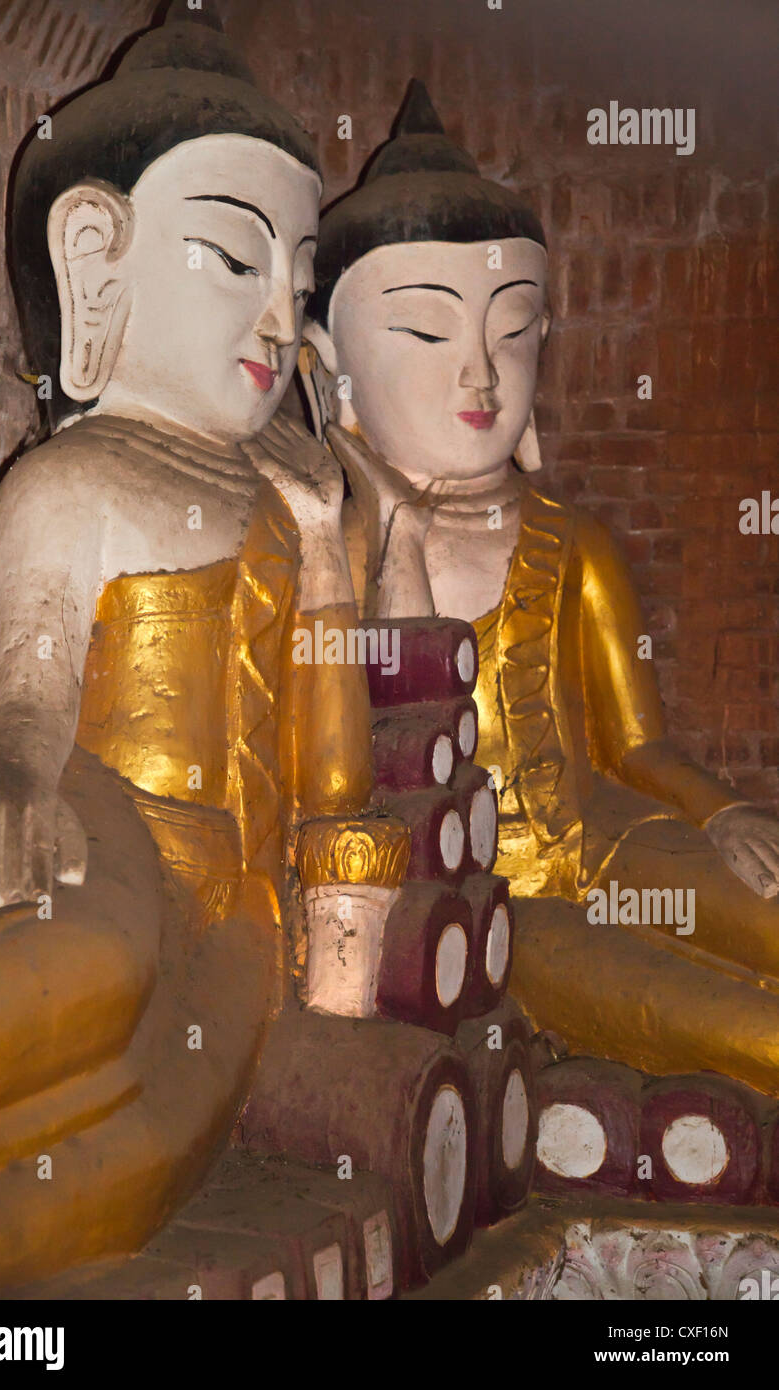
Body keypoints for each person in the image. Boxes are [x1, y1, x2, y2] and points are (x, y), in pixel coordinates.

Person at [0, 5, 394, 1293]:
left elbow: (337, 787)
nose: (277, 314)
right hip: (95, 817)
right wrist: (6, 782)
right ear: (96, 259)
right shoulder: (73, 482)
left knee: (123, 1153)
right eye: (236, 261)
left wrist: (332, 559)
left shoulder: (293, 513)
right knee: (90, 961)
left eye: (297, 279)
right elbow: (24, 704)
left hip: (228, 909)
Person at [303, 80, 779, 1096]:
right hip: (491, 904)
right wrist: (384, 511)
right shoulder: (320, 562)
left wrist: (718, 814)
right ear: (327, 369)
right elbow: (368, 761)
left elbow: (636, 744)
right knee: (747, 1030)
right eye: (427, 335)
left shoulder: (574, 546)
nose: (478, 375)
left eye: (511, 332)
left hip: (610, 841)